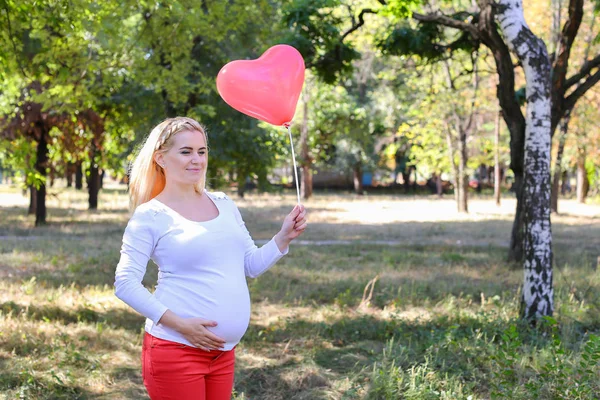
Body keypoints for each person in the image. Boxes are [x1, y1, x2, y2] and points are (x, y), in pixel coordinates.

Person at [114, 117, 307, 400]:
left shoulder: (223, 203)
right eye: (186, 151)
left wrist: (283, 237)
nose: (196, 160)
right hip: (176, 349)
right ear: (161, 158)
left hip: (222, 354)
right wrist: (182, 325)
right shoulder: (151, 215)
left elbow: (249, 264)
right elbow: (125, 283)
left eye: (202, 151)